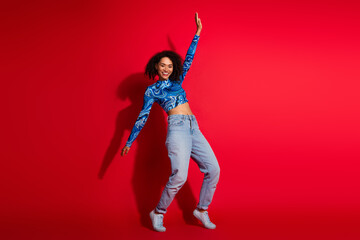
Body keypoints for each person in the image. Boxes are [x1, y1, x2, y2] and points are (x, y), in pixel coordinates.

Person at [121, 12, 220, 232]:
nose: (166, 69)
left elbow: (189, 59)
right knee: (180, 175)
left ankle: (201, 210)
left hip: (193, 127)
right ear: (156, 67)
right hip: (177, 130)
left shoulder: (178, 80)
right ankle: (158, 212)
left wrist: (197, 34)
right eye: (162, 65)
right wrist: (129, 141)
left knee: (213, 168)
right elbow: (142, 116)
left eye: (169, 66)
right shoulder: (152, 90)